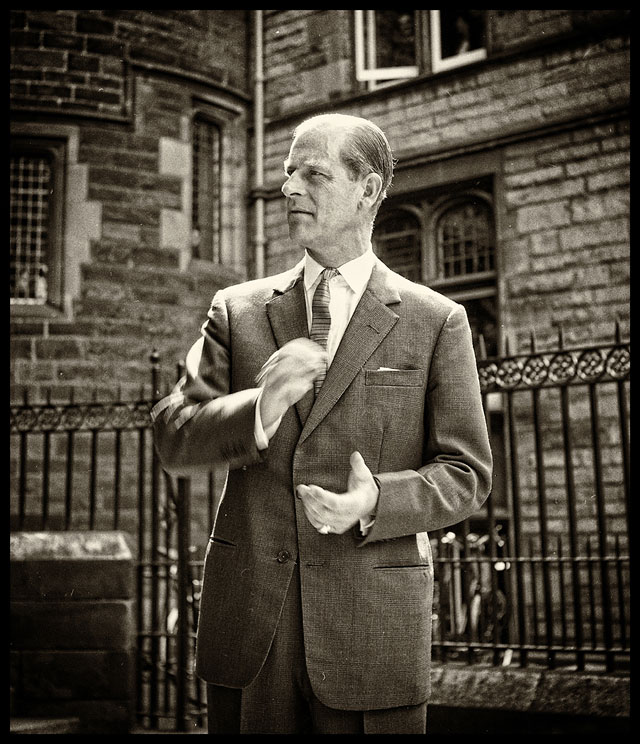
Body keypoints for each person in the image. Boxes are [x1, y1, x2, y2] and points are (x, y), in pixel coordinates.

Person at [152, 113, 492, 734]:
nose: (289, 188)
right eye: (287, 173)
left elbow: (465, 474)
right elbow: (174, 435)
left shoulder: (436, 321)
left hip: (373, 634)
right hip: (252, 636)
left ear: (368, 189)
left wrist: (376, 501)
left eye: (313, 174)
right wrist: (260, 406)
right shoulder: (238, 311)